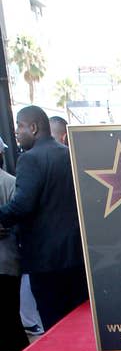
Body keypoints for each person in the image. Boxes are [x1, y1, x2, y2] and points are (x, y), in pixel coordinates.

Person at [0, 105, 87, 332]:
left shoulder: (29, 159)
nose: (16, 132)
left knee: (55, 327)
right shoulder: (70, 154)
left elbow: (22, 205)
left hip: (46, 262)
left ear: (34, 127)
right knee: (78, 324)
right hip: (77, 257)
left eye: (19, 125)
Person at [0, 140, 28, 351]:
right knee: (10, 318)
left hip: (6, 262)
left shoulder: (10, 182)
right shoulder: (11, 182)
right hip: (8, 263)